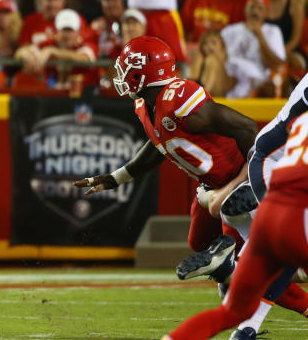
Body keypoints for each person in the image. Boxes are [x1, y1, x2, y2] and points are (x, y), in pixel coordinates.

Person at [110, 109, 308, 340]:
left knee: (231, 311)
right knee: (292, 267)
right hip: (297, 215)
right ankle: (232, 270)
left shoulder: (297, 121)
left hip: (268, 207)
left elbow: (262, 147)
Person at [74, 36, 257, 269]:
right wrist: (117, 177)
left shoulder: (179, 100)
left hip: (237, 184)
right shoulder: (144, 105)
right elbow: (160, 142)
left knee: (245, 268)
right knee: (199, 241)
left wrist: (251, 181)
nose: (120, 77)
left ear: (141, 75)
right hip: (210, 188)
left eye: (126, 70)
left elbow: (248, 128)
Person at [220, 0, 286, 97]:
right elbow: (218, 57)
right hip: (228, 79)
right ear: (245, 9)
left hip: (257, 83)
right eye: (252, 7)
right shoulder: (229, 31)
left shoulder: (273, 31)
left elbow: (277, 65)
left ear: (266, 13)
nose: (255, 11)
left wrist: (260, 36)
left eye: (260, 8)